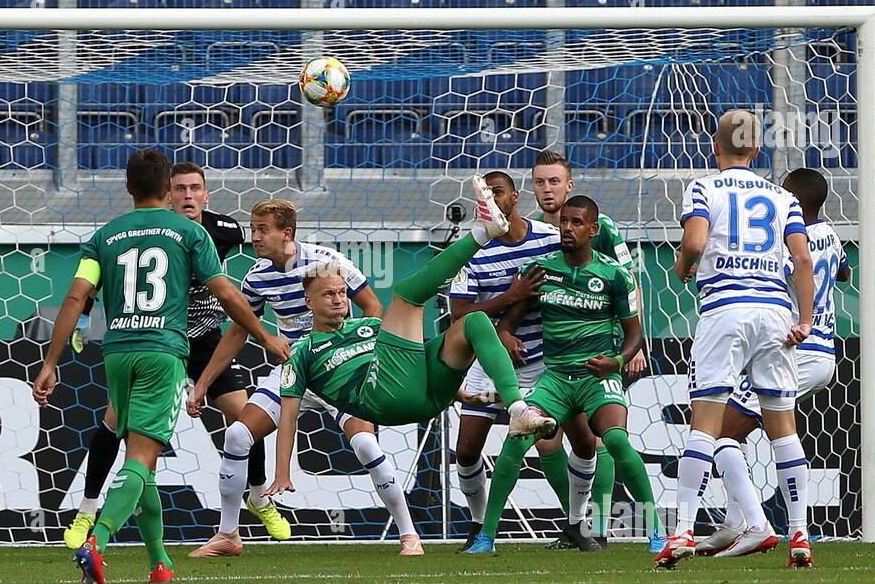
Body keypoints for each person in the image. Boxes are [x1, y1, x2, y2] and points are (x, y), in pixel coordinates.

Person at [32, 149, 288, 584]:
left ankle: (159, 563)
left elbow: (76, 299)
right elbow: (226, 293)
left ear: (129, 188)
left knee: (140, 462)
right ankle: (99, 540)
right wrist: (265, 336)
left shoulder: (104, 237)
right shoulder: (188, 233)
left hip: (117, 352)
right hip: (162, 352)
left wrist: (50, 362)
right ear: (167, 188)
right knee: (140, 458)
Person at [262, 176, 559, 549]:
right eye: (328, 295)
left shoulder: (368, 327)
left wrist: (464, 396)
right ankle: (482, 233)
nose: (339, 300)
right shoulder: (302, 352)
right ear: (309, 303)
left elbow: (408, 355)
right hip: (382, 399)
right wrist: (282, 473)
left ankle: (517, 408)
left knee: (474, 323)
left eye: (341, 292)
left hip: (426, 395)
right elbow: (288, 414)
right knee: (405, 297)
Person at [184, 199, 404, 556]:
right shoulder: (256, 275)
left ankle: (408, 535)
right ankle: (228, 536)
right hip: (294, 369)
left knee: (366, 445)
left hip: (338, 365)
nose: (254, 236)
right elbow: (239, 330)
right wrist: (204, 383)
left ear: (286, 233)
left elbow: (373, 308)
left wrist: (353, 352)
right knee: (239, 435)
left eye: (262, 230)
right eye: (253, 229)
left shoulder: (328, 263)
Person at [655, 110, 815, 569]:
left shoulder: (704, 187)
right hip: (774, 312)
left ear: (714, 146)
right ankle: (799, 533)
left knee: (705, 421)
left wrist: (683, 269)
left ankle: (683, 529)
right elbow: (801, 261)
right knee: (783, 425)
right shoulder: (782, 196)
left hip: (725, 308)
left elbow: (696, 243)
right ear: (758, 149)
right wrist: (803, 321)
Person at [464, 195, 644, 555]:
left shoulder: (608, 252)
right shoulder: (539, 261)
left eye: (575, 223)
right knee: (525, 441)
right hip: (551, 372)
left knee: (602, 442)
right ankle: (497, 534)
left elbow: (632, 310)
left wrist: (625, 356)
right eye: (564, 222)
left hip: (593, 372)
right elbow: (508, 318)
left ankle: (604, 527)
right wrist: (506, 334)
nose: (567, 228)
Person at [694, 167, 849, 568]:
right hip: (824, 351)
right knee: (739, 432)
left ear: (793, 199)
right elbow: (843, 270)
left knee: (723, 430)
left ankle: (758, 525)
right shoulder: (829, 233)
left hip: (796, 345)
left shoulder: (789, 244)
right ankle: (733, 523)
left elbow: (791, 274)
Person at [530, 150, 666, 551]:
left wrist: (633, 348)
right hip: (549, 349)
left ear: (569, 185)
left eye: (555, 181)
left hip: (598, 350)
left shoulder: (599, 226)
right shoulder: (538, 231)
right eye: (540, 182)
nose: (547, 189)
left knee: (602, 438)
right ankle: (576, 525)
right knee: (550, 442)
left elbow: (627, 280)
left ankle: (600, 528)